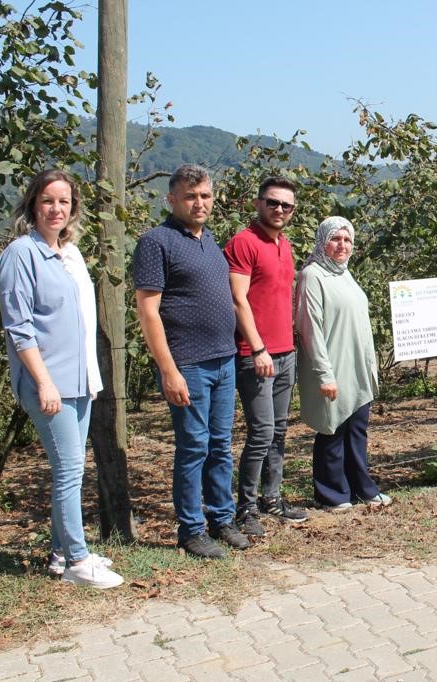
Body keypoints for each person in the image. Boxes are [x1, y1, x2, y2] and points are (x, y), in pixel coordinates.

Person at [0, 169, 123, 588]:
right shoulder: (22, 253)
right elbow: (20, 327)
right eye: (48, 200)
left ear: (73, 209)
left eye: (64, 201)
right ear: (33, 204)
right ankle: (76, 560)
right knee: (69, 469)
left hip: (80, 379)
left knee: (71, 469)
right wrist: (44, 381)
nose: (56, 209)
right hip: (49, 383)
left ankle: (58, 554)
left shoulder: (69, 253)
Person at [133, 164, 249, 558]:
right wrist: (169, 370)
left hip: (223, 361)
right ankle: (191, 529)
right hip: (189, 366)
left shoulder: (208, 239)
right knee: (194, 447)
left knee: (220, 445)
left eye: (205, 196)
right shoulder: (156, 242)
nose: (199, 203)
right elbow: (148, 313)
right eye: (190, 196)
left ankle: (222, 519)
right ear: (171, 199)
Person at [224, 177, 308, 536]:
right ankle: (245, 508)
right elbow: (237, 299)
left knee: (278, 431)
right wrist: (257, 348)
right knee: (260, 433)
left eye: (286, 206)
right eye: (273, 203)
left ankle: (271, 499)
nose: (279, 210)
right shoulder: (243, 243)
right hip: (255, 354)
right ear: (258, 203)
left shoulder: (283, 244)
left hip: (284, 351)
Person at [295, 216, 391, 510]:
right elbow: (310, 328)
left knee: (356, 431)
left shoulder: (344, 274)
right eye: (336, 239)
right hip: (333, 367)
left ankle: (362, 488)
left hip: (356, 368)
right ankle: (332, 494)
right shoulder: (313, 276)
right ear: (323, 241)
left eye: (347, 240)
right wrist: (324, 374)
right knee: (332, 431)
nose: (342, 245)